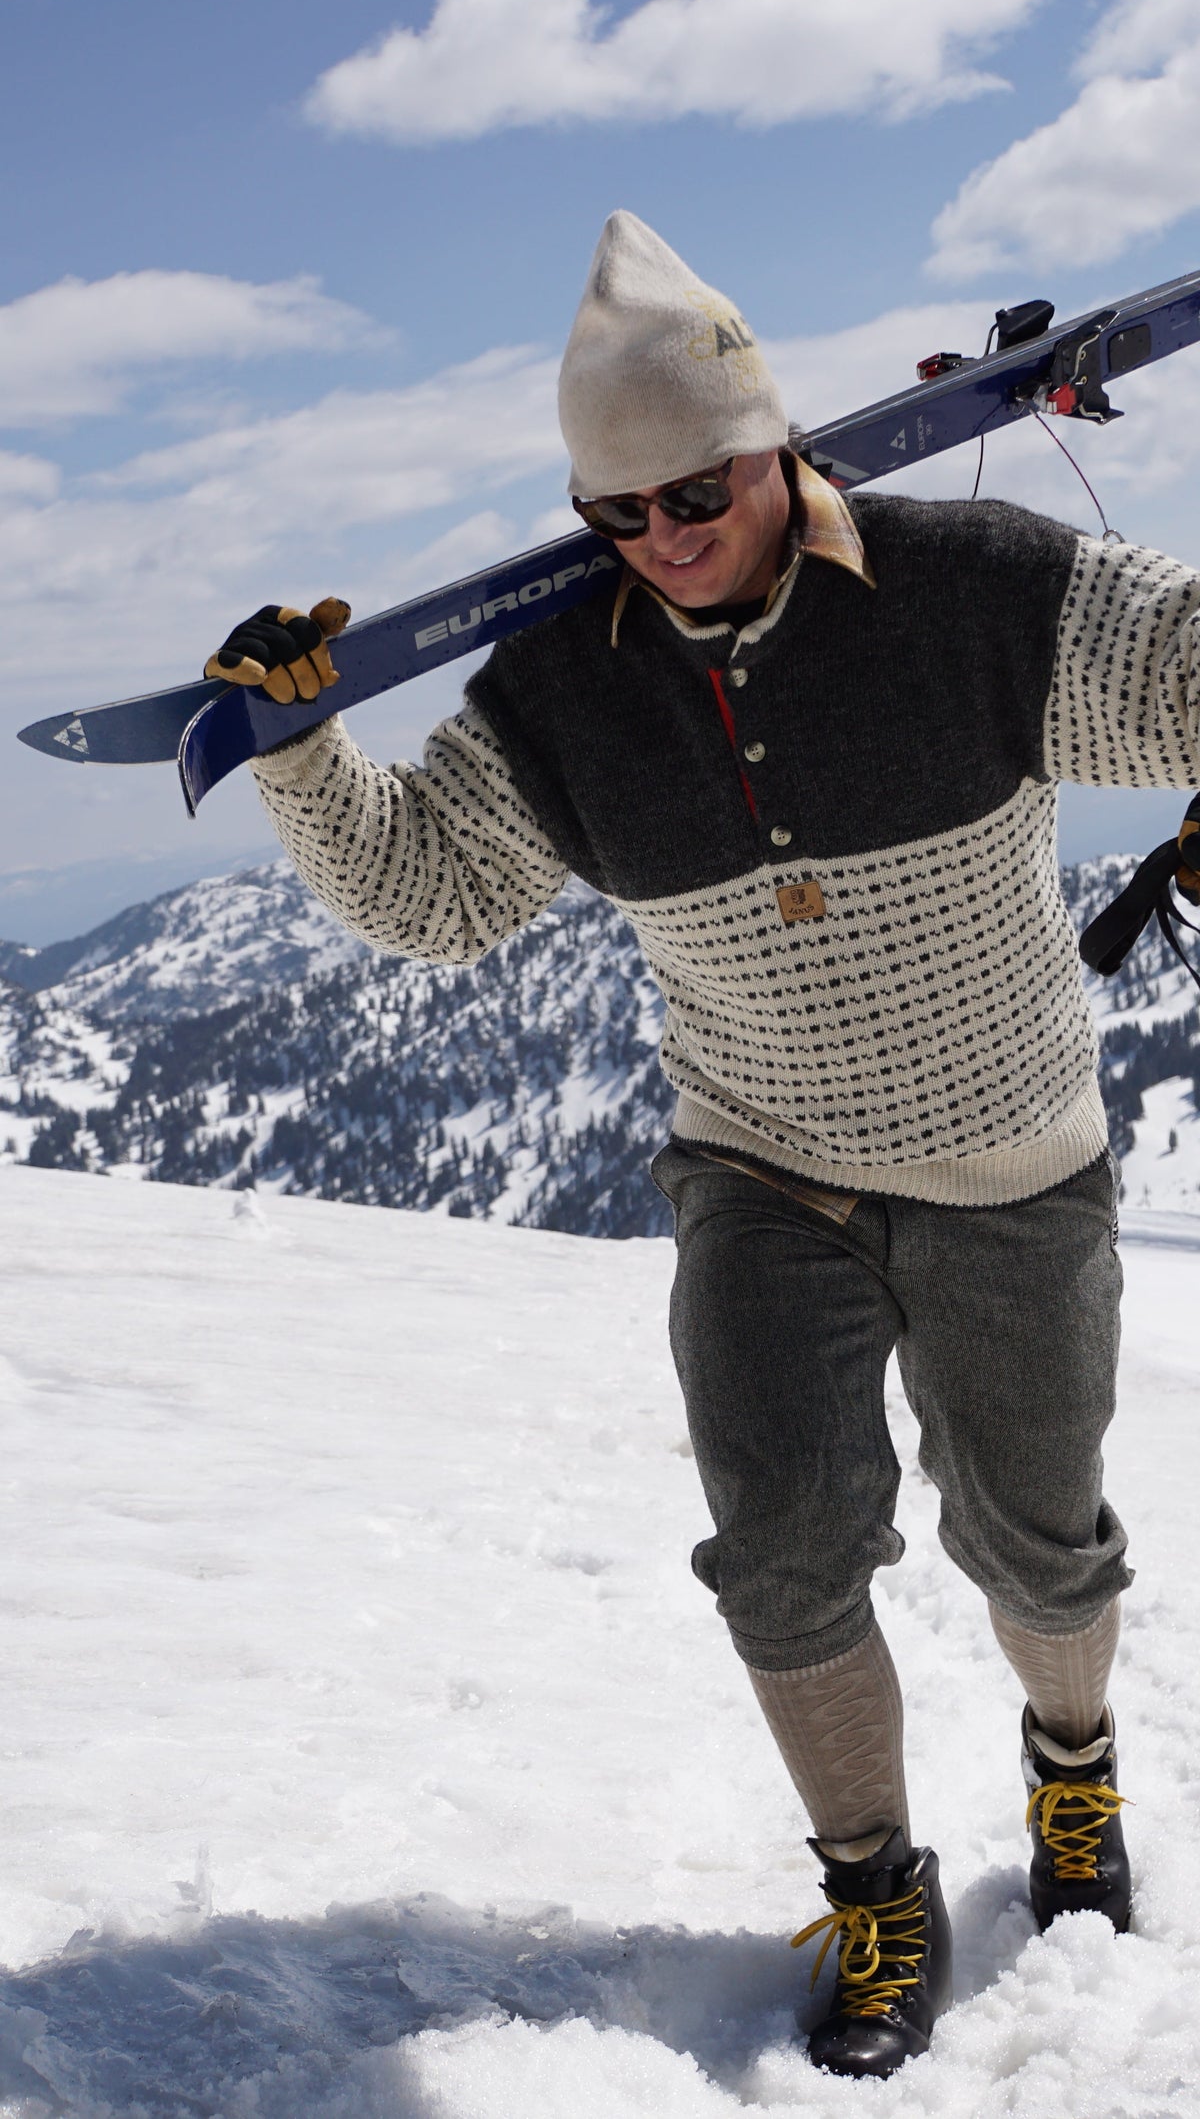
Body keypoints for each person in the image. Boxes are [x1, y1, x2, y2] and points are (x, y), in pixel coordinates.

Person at [205, 212, 1196, 2082]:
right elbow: (430, 893)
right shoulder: (569, 691)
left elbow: (1187, 667)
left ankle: (1076, 1784)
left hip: (1012, 1162)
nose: (666, 537)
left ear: (777, 445)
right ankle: (876, 1888)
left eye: (698, 487)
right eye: (620, 513)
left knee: (1038, 1549)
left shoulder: (974, 585)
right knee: (786, 1555)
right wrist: (308, 755)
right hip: (762, 1170)